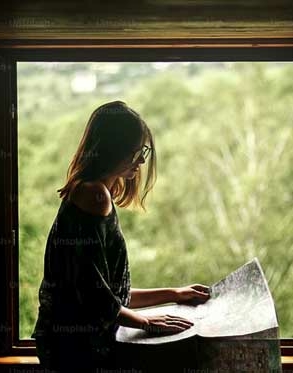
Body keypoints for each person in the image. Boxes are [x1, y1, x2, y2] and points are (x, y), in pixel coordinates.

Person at [31, 101, 211, 372]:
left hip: (69, 344)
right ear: (115, 150)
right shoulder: (93, 195)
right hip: (74, 350)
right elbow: (94, 298)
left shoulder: (90, 191)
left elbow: (110, 296)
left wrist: (174, 294)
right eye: (136, 151)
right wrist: (147, 323)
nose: (141, 160)